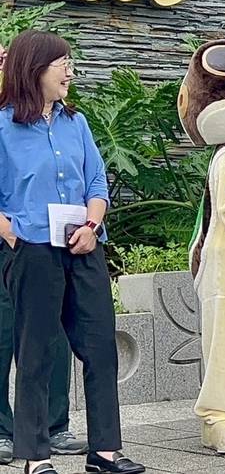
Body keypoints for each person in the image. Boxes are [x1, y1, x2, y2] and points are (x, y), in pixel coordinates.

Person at [0, 31, 145, 474]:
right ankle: (35, 457)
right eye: (61, 63)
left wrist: (92, 224)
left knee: (100, 347)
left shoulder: (75, 123)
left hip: (84, 247)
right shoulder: (2, 125)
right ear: (33, 68)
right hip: (32, 251)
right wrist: (11, 234)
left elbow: (96, 183)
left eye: (70, 62)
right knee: (36, 352)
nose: (70, 70)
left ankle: (104, 453)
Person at [0, 43, 84, 466]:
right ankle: (2, 430)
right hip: (12, 244)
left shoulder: (63, 120)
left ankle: (55, 426)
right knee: (3, 333)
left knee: (51, 332)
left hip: (48, 244)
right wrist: (11, 234)